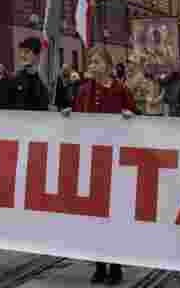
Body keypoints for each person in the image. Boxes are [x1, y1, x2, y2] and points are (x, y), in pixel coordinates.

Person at [61, 46, 135, 285]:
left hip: (115, 160)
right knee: (95, 215)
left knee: (114, 214)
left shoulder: (120, 89)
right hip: (93, 160)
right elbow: (78, 121)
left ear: (108, 66)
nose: (92, 66)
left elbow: (138, 117)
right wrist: (67, 114)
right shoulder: (83, 91)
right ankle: (99, 264)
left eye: (96, 62)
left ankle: (115, 265)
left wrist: (129, 115)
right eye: (90, 62)